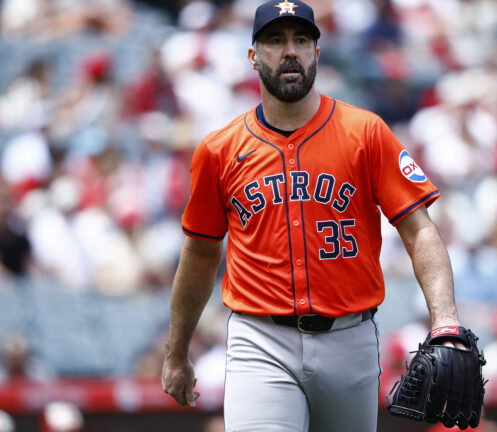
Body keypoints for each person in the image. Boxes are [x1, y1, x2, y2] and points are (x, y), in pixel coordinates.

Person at [161, 1, 469, 430]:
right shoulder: (218, 150)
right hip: (260, 339)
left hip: (351, 338)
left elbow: (420, 231)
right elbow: (198, 254)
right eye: (275, 40)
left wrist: (446, 321)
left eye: (301, 40)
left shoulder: (366, 132)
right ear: (253, 56)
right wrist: (177, 351)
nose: (290, 51)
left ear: (317, 53)